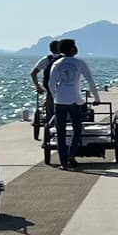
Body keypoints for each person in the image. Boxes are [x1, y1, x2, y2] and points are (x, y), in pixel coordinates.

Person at [45, 38, 102, 170]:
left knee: (60, 131)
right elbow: (90, 81)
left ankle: (64, 161)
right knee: (77, 129)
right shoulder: (80, 63)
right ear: (72, 49)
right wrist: (97, 98)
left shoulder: (57, 63)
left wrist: (55, 97)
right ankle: (72, 155)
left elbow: (50, 84)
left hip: (59, 101)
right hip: (75, 100)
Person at [29, 40, 62, 140]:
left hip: (49, 88)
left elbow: (33, 73)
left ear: (50, 49)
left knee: (50, 111)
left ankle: (49, 134)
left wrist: (38, 87)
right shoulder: (66, 59)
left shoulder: (46, 59)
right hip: (63, 88)